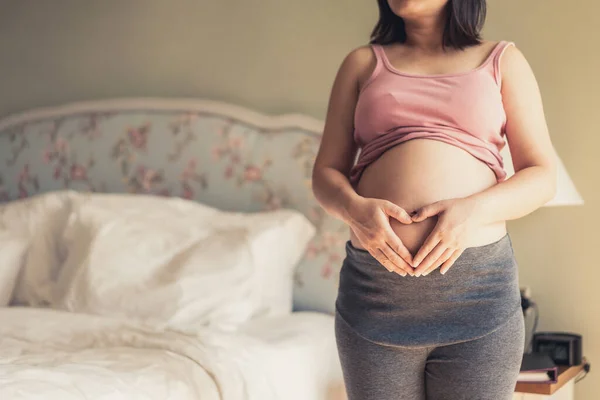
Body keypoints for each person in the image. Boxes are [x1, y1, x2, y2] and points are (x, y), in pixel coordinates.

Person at [311, 0, 557, 399]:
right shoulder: (361, 64)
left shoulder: (502, 61)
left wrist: (474, 210)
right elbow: (325, 175)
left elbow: (542, 176)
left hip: (478, 299)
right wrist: (355, 210)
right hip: (375, 301)